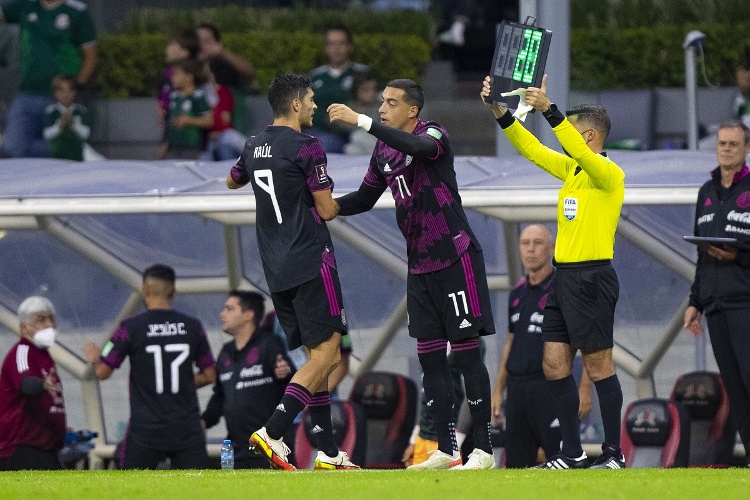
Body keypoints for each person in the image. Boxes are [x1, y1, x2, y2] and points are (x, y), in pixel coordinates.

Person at [328, 78, 496, 470]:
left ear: (412, 110)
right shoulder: (383, 149)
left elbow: (420, 149)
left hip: (456, 257)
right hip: (420, 265)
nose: (382, 107)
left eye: (390, 103)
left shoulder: (432, 132)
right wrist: (329, 207)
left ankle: (484, 450)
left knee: (468, 356)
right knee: (431, 360)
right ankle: (446, 448)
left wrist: (363, 122)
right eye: (381, 102)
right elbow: (366, 197)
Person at [481, 75, 626, 469]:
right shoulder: (574, 172)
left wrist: (549, 108)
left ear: (590, 135)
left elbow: (572, 146)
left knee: (598, 367)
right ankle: (573, 453)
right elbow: (532, 150)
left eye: (573, 134)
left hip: (593, 278)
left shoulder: (608, 175)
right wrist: (501, 111)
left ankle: (614, 454)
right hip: (564, 280)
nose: (566, 140)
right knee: (554, 365)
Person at [226, 73, 358, 471]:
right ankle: (274, 430)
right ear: (297, 104)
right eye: (313, 99)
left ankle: (330, 454)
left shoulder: (253, 144)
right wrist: (370, 192)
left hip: (276, 267)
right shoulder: (307, 146)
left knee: (316, 355)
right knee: (329, 353)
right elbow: (328, 208)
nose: (316, 105)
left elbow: (232, 181)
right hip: (311, 259)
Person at [83, 264, 216, 470]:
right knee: (197, 489)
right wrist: (183, 382)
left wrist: (94, 358)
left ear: (145, 291)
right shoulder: (193, 326)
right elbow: (209, 375)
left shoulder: (130, 327)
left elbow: (103, 372)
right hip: (186, 427)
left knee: (132, 488)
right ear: (173, 292)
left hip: (145, 429)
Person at [492, 224, 593, 468]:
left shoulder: (564, 288)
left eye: (538, 243)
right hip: (517, 390)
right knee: (515, 467)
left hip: (551, 389)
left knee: (564, 462)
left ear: (552, 248)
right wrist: (497, 390)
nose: (531, 249)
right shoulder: (517, 293)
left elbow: (587, 340)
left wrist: (585, 390)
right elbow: (511, 342)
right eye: (525, 243)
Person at [683, 119, 750, 468]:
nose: (725, 148)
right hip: (715, 304)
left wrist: (739, 254)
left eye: (733, 144)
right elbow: (700, 252)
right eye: (722, 143)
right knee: (735, 388)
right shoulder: (706, 191)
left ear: (746, 149)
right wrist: (695, 302)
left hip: (745, 302)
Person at [201, 291, 295, 469]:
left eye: (229, 309)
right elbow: (220, 396)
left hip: (269, 449)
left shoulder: (270, 344)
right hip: (235, 450)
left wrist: (285, 373)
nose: (222, 314)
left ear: (248, 315)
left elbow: (291, 381)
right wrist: (204, 421)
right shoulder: (225, 352)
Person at [0, 0, 96, 158]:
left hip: (60, 98)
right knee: (12, 148)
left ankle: (78, 153)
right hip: (28, 94)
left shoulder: (76, 11)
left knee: (61, 147)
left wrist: (74, 90)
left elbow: (90, 56)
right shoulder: (27, 5)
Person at [0, 296, 65, 470]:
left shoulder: (44, 356)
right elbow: (25, 383)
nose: (50, 325)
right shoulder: (23, 351)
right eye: (41, 319)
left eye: (51, 318)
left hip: (46, 450)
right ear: (23, 327)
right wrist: (42, 385)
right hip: (23, 450)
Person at [309, 26, 369, 154]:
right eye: (331, 44)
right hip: (317, 131)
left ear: (350, 47)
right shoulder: (315, 76)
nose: (336, 48)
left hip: (351, 132)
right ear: (326, 48)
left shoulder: (362, 73)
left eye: (341, 43)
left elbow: (374, 103)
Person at [157, 29, 201, 158]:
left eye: (172, 45)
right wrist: (159, 104)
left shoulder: (196, 85)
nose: (167, 49)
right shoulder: (166, 76)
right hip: (172, 140)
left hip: (190, 144)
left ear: (184, 53)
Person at [164, 58, 214, 160]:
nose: (172, 77)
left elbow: (209, 121)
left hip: (191, 148)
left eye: (176, 74)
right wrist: (166, 143)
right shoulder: (174, 97)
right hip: (173, 147)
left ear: (189, 77)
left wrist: (188, 120)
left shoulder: (198, 97)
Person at [42, 75, 91, 161]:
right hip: (56, 157)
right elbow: (47, 134)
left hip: (77, 156)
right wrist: (59, 126)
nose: (66, 94)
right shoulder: (51, 111)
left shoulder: (81, 111)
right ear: (55, 93)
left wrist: (74, 125)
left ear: (75, 92)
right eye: (61, 90)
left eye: (70, 90)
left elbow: (85, 134)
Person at [343, 72, 380, 156]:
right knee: (349, 149)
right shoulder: (350, 106)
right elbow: (340, 124)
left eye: (374, 89)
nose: (371, 93)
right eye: (365, 90)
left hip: (378, 140)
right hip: (361, 143)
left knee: (357, 136)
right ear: (356, 91)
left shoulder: (380, 106)